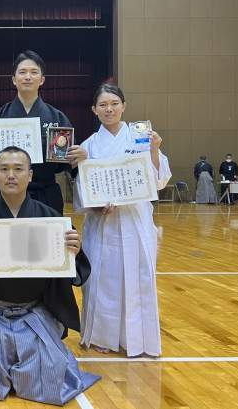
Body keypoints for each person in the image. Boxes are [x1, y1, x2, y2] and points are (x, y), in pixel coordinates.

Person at [0, 146, 99, 405]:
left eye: (18, 169)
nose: (11, 175)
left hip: (35, 311)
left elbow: (73, 272)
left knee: (49, 381)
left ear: (30, 175)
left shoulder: (50, 218)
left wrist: (73, 251)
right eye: (4, 169)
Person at [73, 84, 171, 357]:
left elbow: (160, 180)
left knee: (139, 278)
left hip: (135, 219)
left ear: (124, 106)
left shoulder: (141, 137)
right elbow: (83, 188)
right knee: (102, 280)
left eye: (114, 103)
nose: (109, 109)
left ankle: (137, 339)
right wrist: (95, 208)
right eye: (103, 105)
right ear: (94, 110)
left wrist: (154, 150)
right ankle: (102, 337)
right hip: (103, 222)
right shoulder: (89, 145)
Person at [0, 50, 87, 215]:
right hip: (6, 194)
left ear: (42, 80)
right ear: (13, 79)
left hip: (45, 194)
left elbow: (70, 164)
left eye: (34, 72)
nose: (28, 77)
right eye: (22, 72)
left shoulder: (58, 118)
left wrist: (78, 157)